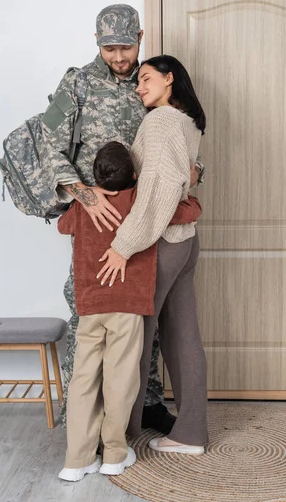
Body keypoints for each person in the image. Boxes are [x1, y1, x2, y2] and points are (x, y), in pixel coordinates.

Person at [41, 4, 204, 430]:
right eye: (109, 47)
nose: (118, 56)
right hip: (95, 221)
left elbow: (179, 142)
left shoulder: (150, 81)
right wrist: (83, 194)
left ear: (140, 37)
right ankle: (84, 417)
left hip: (147, 219)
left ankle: (143, 404)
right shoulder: (77, 83)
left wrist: (197, 172)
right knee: (89, 310)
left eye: (125, 46)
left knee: (140, 308)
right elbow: (49, 146)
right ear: (97, 42)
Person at [57, 141, 202, 481]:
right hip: (126, 305)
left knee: (83, 379)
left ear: (96, 178)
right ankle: (114, 454)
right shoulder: (139, 200)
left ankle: (76, 461)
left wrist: (85, 197)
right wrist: (192, 198)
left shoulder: (84, 205)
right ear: (135, 175)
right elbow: (183, 212)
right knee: (120, 379)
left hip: (91, 305)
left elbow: (63, 226)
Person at [97, 55, 208, 455]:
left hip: (161, 242)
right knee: (183, 336)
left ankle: (117, 436)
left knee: (133, 337)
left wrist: (121, 246)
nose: (139, 86)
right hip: (185, 239)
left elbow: (157, 193)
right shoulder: (187, 121)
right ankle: (191, 433)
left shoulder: (161, 122)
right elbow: (186, 177)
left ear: (169, 78)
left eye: (146, 78)